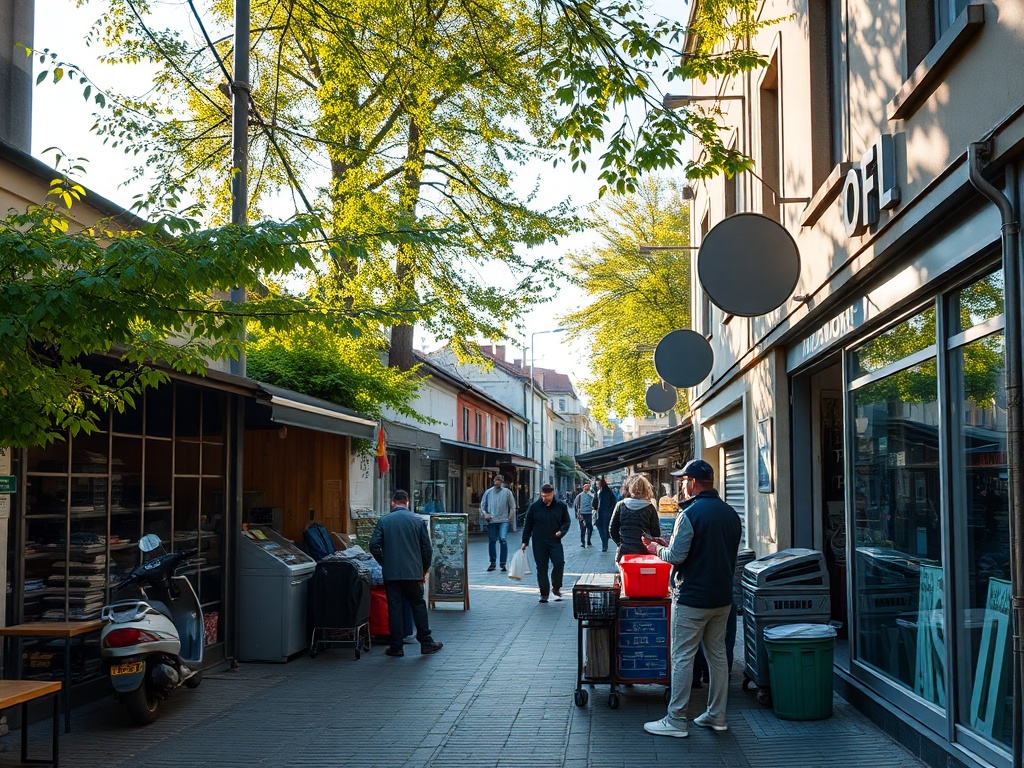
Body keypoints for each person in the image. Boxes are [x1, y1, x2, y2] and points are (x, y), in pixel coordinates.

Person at [641, 459, 741, 738]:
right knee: (717, 656)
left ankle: (676, 719)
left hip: (692, 598)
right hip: (722, 598)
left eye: (683, 481)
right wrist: (669, 545)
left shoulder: (690, 514)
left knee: (682, 657)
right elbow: (709, 549)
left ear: (693, 482)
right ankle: (717, 715)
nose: (681, 486)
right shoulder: (731, 513)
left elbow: (676, 556)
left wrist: (655, 549)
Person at [369, 490, 444, 657]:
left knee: (394, 607)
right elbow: (427, 548)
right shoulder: (417, 520)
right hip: (413, 571)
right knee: (418, 604)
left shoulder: (384, 520)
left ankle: (396, 646)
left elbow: (374, 545)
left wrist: (384, 562)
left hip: (392, 573)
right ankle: (426, 642)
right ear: (408, 502)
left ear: (392, 503)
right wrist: (424, 568)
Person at [520, 483, 571, 603]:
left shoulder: (561, 506)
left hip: (555, 541)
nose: (545, 498)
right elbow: (528, 524)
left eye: (547, 496)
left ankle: (556, 588)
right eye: (543, 496)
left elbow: (566, 522)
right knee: (541, 567)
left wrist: (561, 531)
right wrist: (525, 541)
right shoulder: (534, 507)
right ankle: (544, 593)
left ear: (552, 494)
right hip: (539, 542)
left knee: (559, 563)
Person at [608, 474, 660, 562]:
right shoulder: (650, 507)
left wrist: (619, 543)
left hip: (625, 550)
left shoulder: (620, 505)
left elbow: (612, 529)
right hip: (644, 551)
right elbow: (656, 533)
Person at [480, 474, 516, 572]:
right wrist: (485, 514)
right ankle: (492, 562)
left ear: (502, 482)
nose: (498, 482)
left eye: (500, 480)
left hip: (503, 520)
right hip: (491, 520)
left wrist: (510, 517)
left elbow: (512, 506)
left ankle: (503, 563)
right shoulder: (488, 492)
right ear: (494, 481)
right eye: (496, 480)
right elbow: (482, 506)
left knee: (502, 539)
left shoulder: (507, 492)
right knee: (492, 540)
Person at [592, 477, 617, 552]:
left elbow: (595, 504)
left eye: (598, 483)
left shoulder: (602, 493)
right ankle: (605, 544)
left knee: (602, 529)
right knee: (605, 529)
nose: (597, 485)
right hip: (606, 514)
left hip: (603, 514)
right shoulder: (607, 492)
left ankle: (605, 545)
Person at [574, 481, 596, 548]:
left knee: (590, 528)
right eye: (586, 487)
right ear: (583, 487)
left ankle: (588, 541)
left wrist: (591, 494)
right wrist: (577, 515)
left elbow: (595, 501)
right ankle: (583, 542)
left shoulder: (591, 495)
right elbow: (575, 505)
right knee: (583, 529)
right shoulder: (579, 496)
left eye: (588, 487)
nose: (587, 488)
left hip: (589, 513)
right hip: (582, 514)